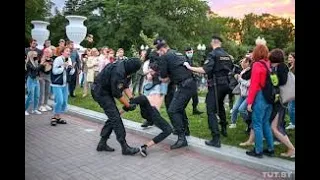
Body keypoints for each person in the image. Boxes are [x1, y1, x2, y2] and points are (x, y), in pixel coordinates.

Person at [184, 35, 234, 148]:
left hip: (216, 85)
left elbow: (205, 70)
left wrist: (189, 67)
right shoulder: (227, 55)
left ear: (213, 43)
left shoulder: (213, 54)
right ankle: (224, 129)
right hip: (226, 84)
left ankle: (215, 139)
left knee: (211, 111)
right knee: (220, 106)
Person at [91, 58, 142, 155]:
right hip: (100, 92)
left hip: (105, 91)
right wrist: (128, 105)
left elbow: (125, 86)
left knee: (113, 117)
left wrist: (132, 99)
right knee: (115, 118)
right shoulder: (119, 71)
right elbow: (117, 93)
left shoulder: (126, 67)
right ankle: (125, 147)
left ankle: (102, 143)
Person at [155, 38, 198, 149]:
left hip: (184, 85)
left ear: (163, 49)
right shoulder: (177, 53)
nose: (159, 54)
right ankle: (186, 130)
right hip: (191, 84)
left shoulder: (165, 56)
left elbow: (164, 77)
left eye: (159, 52)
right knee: (179, 108)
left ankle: (181, 138)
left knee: (172, 110)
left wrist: (159, 76)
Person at [245, 44, 274, 158]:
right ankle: (271, 149)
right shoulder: (268, 64)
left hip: (260, 96)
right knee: (266, 123)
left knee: (257, 124)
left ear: (256, 53)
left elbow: (254, 86)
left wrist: (250, 102)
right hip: (269, 97)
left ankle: (258, 151)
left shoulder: (257, 65)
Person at [268, 49, 295, 158]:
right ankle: (290, 148)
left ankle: (292, 149)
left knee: (275, 127)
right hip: (278, 101)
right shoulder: (277, 67)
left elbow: (282, 82)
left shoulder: (281, 67)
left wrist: (272, 77)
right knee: (276, 126)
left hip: (281, 101)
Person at [50, 47, 75, 126]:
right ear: (62, 52)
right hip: (57, 83)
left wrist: (72, 69)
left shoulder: (69, 59)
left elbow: (70, 73)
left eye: (69, 51)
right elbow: (54, 71)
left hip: (65, 83)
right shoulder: (58, 59)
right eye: (67, 51)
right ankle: (54, 117)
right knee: (59, 101)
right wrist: (63, 67)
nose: (69, 52)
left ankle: (58, 117)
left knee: (64, 102)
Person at [184, 47, 203, 115]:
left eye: (191, 52)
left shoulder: (190, 59)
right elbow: (187, 69)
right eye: (188, 52)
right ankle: (181, 109)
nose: (190, 54)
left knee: (195, 97)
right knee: (187, 97)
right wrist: (194, 72)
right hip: (187, 80)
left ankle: (195, 110)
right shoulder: (185, 60)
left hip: (192, 80)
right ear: (185, 52)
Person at [25, 51, 45, 115]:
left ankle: (35, 109)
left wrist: (39, 76)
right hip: (31, 80)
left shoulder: (36, 62)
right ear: (31, 56)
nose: (36, 56)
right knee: (30, 96)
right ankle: (25, 109)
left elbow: (38, 70)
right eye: (34, 55)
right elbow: (35, 69)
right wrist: (41, 64)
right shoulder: (28, 63)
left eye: (36, 55)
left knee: (37, 96)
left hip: (36, 80)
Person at [286, 52, 295, 130]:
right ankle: (293, 122)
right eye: (288, 57)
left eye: (291, 57)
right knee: (291, 107)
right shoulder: (290, 67)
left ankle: (293, 123)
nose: (289, 59)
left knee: (291, 107)